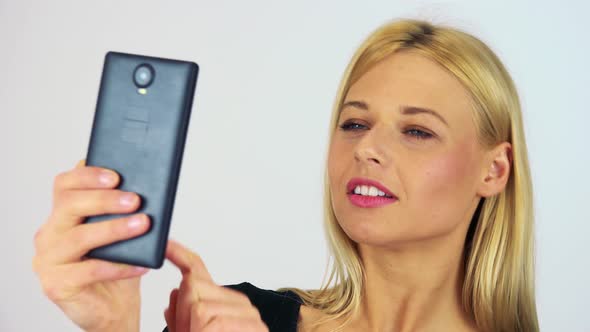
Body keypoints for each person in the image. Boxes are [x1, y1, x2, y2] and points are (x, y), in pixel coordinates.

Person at [32, 18, 539, 332]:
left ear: (494, 171)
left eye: (417, 131)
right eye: (355, 123)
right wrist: (114, 325)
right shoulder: (239, 319)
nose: (367, 148)